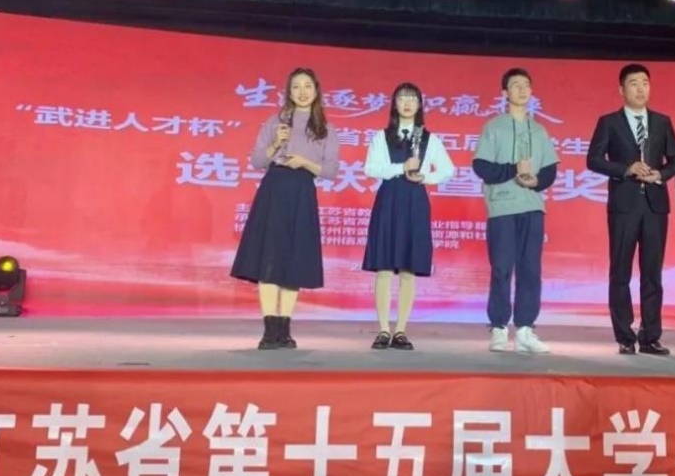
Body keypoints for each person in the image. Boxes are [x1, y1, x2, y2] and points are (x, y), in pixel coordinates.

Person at [231, 67, 341, 350]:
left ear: (316, 91)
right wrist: (276, 144)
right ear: (289, 92)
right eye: (296, 87)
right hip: (275, 188)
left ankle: (285, 329)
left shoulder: (325, 128)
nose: (302, 92)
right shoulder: (275, 122)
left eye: (307, 86)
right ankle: (269, 330)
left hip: (302, 191)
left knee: (294, 260)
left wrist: (304, 162)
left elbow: (331, 170)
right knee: (269, 258)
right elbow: (257, 161)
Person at [587, 64, 675, 355]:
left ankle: (650, 336)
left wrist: (661, 174)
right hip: (624, 206)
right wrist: (625, 169)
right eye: (633, 83)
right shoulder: (609, 122)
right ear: (621, 89)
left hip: (655, 205)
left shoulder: (662, 121)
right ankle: (625, 337)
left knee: (652, 273)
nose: (640, 89)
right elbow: (593, 159)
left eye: (644, 83)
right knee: (620, 272)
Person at [362, 82, 456, 350]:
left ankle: (401, 330)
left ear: (419, 104)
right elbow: (371, 168)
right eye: (402, 98)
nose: (407, 103)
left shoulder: (429, 139)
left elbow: (448, 170)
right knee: (383, 268)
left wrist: (425, 176)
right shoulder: (381, 137)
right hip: (389, 199)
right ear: (394, 104)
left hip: (415, 200)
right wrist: (400, 167)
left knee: (407, 269)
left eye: (412, 98)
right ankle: (383, 330)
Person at [472, 68, 558, 353]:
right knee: (502, 267)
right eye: (515, 85)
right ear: (504, 93)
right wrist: (513, 170)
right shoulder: (493, 127)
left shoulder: (540, 130)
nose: (522, 90)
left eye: (526, 85)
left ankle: (525, 330)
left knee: (530, 269)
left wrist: (536, 181)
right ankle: (498, 327)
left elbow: (550, 170)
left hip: (532, 207)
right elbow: (481, 166)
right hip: (502, 207)